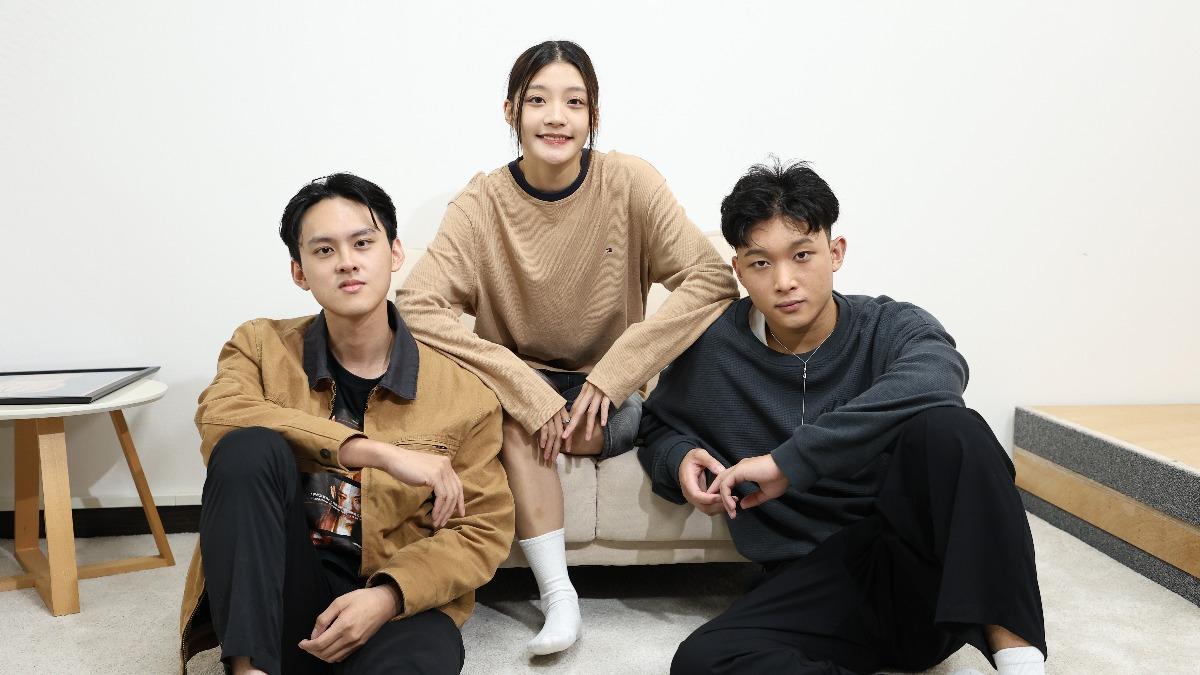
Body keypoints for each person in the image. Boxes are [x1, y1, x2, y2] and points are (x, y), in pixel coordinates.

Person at [395, 40, 739, 656]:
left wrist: (616, 373)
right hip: (515, 395)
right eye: (538, 101)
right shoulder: (481, 203)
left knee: (542, 421)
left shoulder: (628, 182)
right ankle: (561, 598)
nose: (556, 117)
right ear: (511, 112)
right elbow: (417, 305)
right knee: (515, 422)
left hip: (604, 393)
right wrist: (521, 387)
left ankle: (559, 592)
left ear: (593, 115)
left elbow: (712, 279)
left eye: (574, 102)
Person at [638, 160, 1047, 675]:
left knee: (953, 427)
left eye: (802, 256)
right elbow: (656, 425)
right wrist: (678, 458)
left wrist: (789, 463)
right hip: (812, 584)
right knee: (703, 661)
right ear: (739, 271)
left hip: (916, 568)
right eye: (761, 263)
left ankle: (1020, 665)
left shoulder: (889, 326)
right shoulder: (714, 349)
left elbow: (940, 376)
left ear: (835, 253)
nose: (784, 281)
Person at [178, 173, 515, 675]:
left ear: (394, 253)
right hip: (282, 591)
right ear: (299, 271)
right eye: (324, 250)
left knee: (419, 662)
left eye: (362, 243)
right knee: (246, 449)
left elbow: (481, 529)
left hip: (390, 600)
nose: (347, 262)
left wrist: (387, 596)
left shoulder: (464, 393)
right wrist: (374, 451)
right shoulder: (260, 347)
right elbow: (219, 417)